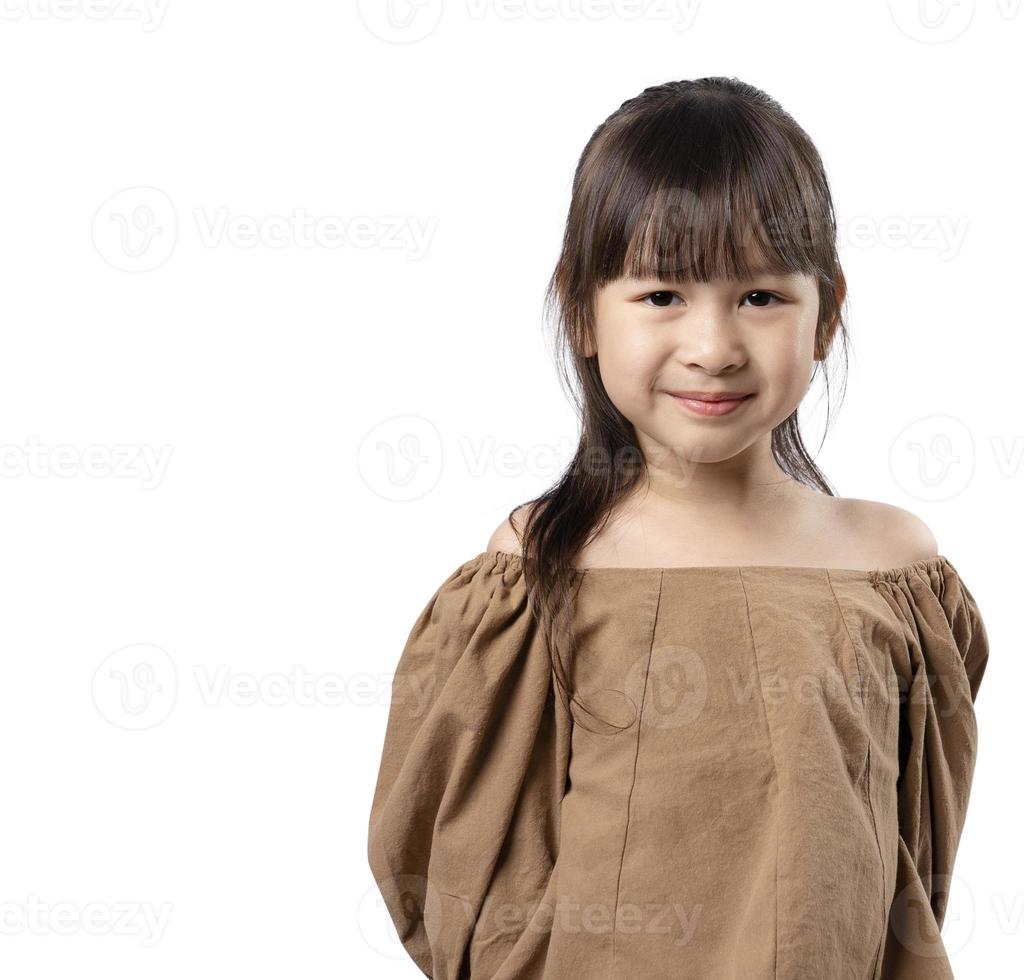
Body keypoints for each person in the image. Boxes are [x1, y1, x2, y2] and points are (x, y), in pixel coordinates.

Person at [367, 76, 990, 979]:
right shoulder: (536, 569)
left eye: (761, 297)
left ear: (827, 313)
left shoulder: (893, 567)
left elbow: (914, 860)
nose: (714, 345)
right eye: (662, 295)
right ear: (582, 309)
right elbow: (450, 862)